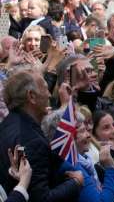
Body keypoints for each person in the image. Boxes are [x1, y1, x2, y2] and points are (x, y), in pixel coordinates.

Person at [0, 69, 83, 202]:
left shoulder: (9, 124)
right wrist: (75, 183)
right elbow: (40, 198)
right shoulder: (30, 140)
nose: (50, 95)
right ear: (31, 96)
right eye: (45, 89)